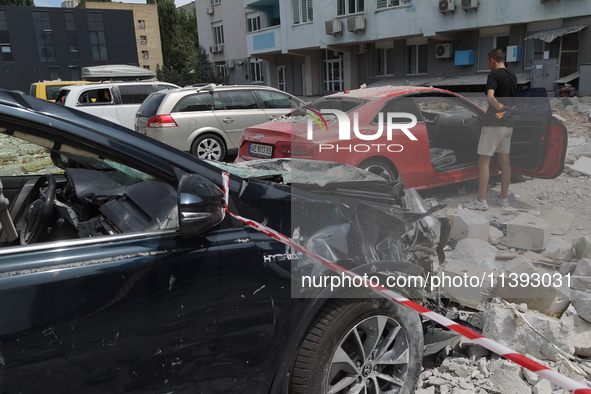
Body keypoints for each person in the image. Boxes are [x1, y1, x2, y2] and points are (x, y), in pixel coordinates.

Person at [464, 48, 517, 211]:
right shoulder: (513, 75)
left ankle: (481, 201)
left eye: (488, 62)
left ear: (492, 60)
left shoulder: (494, 75)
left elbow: (490, 97)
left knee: (484, 161)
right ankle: (503, 198)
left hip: (494, 123)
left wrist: (499, 107)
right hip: (508, 124)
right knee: (505, 162)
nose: (488, 66)